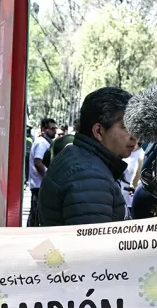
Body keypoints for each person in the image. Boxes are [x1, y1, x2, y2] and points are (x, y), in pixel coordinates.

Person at [38, 88, 137, 226]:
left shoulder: (82, 159)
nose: (134, 136)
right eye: (126, 127)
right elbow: (92, 245)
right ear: (98, 131)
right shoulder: (89, 175)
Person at [26, 117, 57, 226]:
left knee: (36, 214)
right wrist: (46, 178)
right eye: (52, 128)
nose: (55, 131)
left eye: (55, 128)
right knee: (36, 214)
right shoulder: (42, 143)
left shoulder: (45, 142)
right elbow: (38, 162)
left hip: (39, 184)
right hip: (39, 185)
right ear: (44, 129)